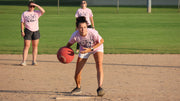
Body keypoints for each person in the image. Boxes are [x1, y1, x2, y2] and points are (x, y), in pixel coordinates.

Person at [66, 17, 105, 96]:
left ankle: (100, 87)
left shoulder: (92, 32)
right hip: (84, 50)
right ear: (77, 28)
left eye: (84, 27)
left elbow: (101, 41)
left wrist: (90, 49)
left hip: (96, 47)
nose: (83, 29)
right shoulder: (75, 35)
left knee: (99, 64)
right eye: (80, 27)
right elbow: (68, 46)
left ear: (87, 27)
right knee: (77, 72)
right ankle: (78, 87)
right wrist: (64, 53)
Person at [20, 1, 45, 66]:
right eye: (30, 6)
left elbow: (43, 11)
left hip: (36, 31)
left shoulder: (36, 12)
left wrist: (36, 5)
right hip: (28, 31)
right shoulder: (25, 13)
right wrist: (22, 31)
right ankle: (24, 61)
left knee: (35, 46)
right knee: (26, 46)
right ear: (28, 6)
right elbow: (22, 23)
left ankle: (34, 61)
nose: (32, 7)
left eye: (33, 6)